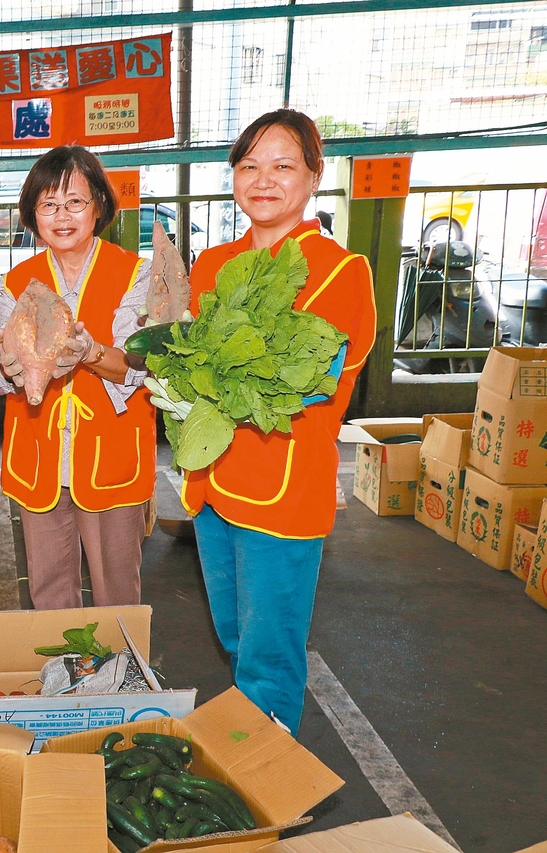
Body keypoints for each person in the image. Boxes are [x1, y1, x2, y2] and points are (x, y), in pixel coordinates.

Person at [178, 109, 376, 733]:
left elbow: (308, 385)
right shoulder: (212, 264)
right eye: (249, 166)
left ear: (315, 177)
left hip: (285, 491)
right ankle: (255, 758)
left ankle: (268, 791)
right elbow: (190, 365)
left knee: (270, 655)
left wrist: (206, 373)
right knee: (237, 638)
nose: (263, 180)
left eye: (283, 165)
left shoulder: (344, 272)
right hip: (214, 487)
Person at [0, 145, 156, 610]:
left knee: (117, 591)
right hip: (40, 456)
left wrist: (91, 353)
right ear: (33, 214)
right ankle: (64, 678)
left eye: (75, 202)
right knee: (48, 591)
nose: (62, 215)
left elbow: (141, 364)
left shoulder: (135, 274)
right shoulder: (17, 281)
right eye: (48, 204)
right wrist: (7, 369)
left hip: (111, 455)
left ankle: (122, 678)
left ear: (99, 205)